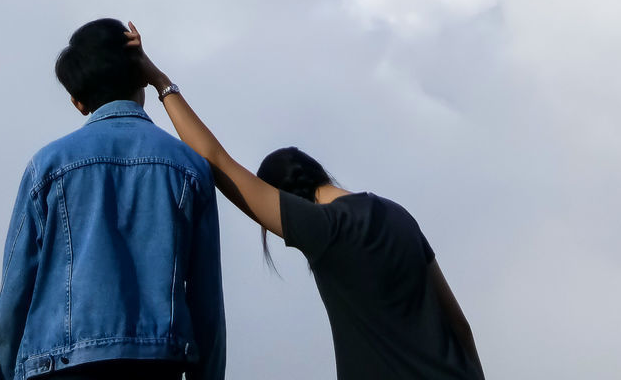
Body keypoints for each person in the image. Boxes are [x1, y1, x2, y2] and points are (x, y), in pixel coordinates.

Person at [125, 23, 485, 380]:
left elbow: (216, 162)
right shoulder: (399, 216)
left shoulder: (327, 229)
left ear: (285, 197)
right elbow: (461, 326)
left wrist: (160, 81)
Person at [0, 18, 226, 380]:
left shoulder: (47, 168)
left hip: (59, 368)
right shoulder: (189, 167)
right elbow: (208, 304)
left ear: (78, 102)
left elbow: (13, 301)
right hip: (158, 366)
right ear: (140, 78)